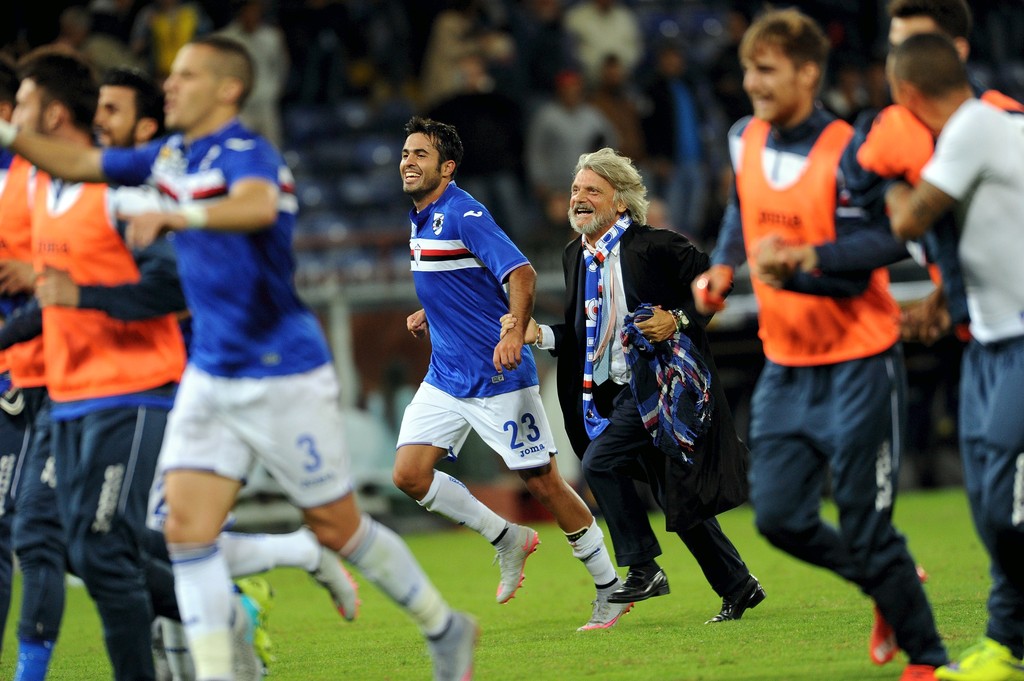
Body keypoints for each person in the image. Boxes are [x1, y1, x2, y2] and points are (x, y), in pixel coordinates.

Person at [0, 35, 477, 681]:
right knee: (186, 532)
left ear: (228, 88)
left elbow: (255, 204)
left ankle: (444, 626)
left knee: (336, 524)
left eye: (188, 75)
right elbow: (81, 164)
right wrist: (9, 133)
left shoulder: (250, 154)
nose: (171, 84)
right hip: (209, 374)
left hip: (279, 367)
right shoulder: (171, 154)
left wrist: (179, 218)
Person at [691, 9, 948, 681]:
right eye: (748, 68)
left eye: (767, 69)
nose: (752, 82)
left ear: (808, 71)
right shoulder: (745, 137)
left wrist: (808, 258)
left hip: (860, 362)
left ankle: (930, 658)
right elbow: (742, 209)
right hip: (788, 365)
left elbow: (892, 240)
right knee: (778, 516)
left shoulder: (851, 149)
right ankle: (889, 586)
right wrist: (722, 265)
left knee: (866, 525)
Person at [505, 147, 765, 624]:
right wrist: (538, 335)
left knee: (600, 461)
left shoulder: (657, 246)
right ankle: (739, 586)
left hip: (664, 389)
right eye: (576, 190)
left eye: (592, 191)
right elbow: (583, 336)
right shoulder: (574, 257)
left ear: (620, 202)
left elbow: (717, 283)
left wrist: (680, 317)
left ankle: (643, 566)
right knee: (674, 497)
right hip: (616, 393)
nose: (579, 199)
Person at [393, 115, 629, 632]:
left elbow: (520, 271)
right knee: (409, 474)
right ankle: (508, 538)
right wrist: (427, 312)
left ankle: (612, 587)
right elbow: (458, 281)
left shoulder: (463, 211)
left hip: (497, 377)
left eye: (420, 155)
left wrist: (512, 331)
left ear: (447, 167)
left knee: (542, 481)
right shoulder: (421, 216)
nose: (408, 162)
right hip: (446, 375)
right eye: (406, 153)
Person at [885, 32, 1024, 681]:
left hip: (1020, 338)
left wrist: (883, 181)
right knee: (988, 500)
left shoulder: (974, 125)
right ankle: (1003, 643)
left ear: (906, 95)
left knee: (1003, 501)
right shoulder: (974, 136)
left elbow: (909, 222)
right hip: (991, 340)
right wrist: (942, 302)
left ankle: (1005, 639)